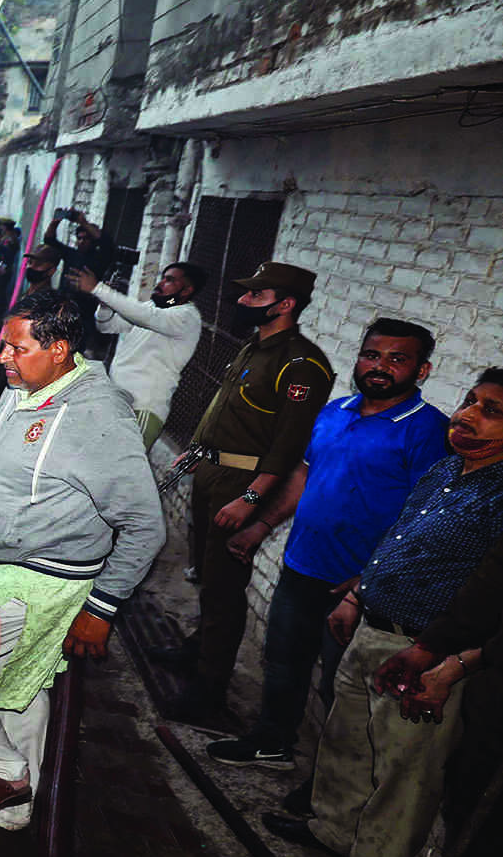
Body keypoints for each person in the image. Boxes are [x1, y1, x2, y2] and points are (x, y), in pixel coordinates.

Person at [263, 371, 503, 857]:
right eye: (469, 402)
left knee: (406, 769)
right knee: (348, 739)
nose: (466, 417)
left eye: (491, 411)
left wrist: (437, 657)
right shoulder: (445, 471)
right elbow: (397, 539)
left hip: (425, 650)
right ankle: (333, 830)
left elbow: (486, 595)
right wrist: (356, 596)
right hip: (374, 625)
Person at [203, 321, 450, 768]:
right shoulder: (335, 411)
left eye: (398, 359)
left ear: (423, 369)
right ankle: (272, 744)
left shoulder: (428, 430)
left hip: (359, 587)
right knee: (283, 665)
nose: (380, 367)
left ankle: (328, 788)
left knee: (341, 687)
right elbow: (304, 475)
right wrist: (261, 528)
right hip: (303, 567)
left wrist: (365, 582)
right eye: (372, 355)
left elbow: (424, 516)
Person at [0, 289, 166, 828]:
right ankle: (18, 808)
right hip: (2, 567)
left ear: (59, 350)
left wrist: (101, 609)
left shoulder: (95, 417)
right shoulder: (25, 385)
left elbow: (144, 525)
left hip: (43, 581)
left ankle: (5, 770)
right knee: (22, 686)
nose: (2, 357)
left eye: (16, 347)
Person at [167, 261, 334, 723]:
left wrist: (254, 500)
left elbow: (290, 444)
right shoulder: (253, 349)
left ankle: (209, 692)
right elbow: (228, 416)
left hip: (242, 487)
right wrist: (197, 452)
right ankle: (198, 651)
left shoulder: (302, 364)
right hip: (213, 475)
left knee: (225, 591)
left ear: (285, 304)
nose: (242, 301)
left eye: (255, 296)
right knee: (207, 574)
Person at [67, 259, 208, 448]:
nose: (159, 284)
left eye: (169, 280)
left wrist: (99, 289)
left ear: (186, 290)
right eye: (162, 278)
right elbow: (107, 326)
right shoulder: (153, 307)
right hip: (116, 401)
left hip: (141, 409)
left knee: (119, 473)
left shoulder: (187, 316)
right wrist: (105, 304)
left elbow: (146, 318)